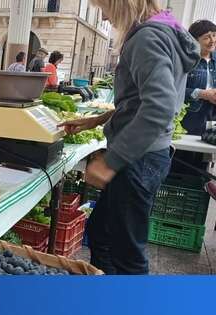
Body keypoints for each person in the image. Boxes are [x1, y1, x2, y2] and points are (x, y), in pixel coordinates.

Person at [59, 0, 199, 275]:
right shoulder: (167, 30)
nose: (104, 17)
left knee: (126, 252)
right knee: (102, 232)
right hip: (146, 155)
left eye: (103, 7)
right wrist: (95, 120)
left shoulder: (147, 38)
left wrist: (111, 161)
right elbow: (137, 103)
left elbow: (158, 107)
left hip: (138, 158)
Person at [182, 20, 216, 136]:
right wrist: (202, 93)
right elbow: (176, 90)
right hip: (190, 117)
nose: (212, 41)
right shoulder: (186, 61)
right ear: (195, 40)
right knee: (187, 152)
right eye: (207, 37)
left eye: (214, 35)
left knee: (208, 151)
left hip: (213, 115)